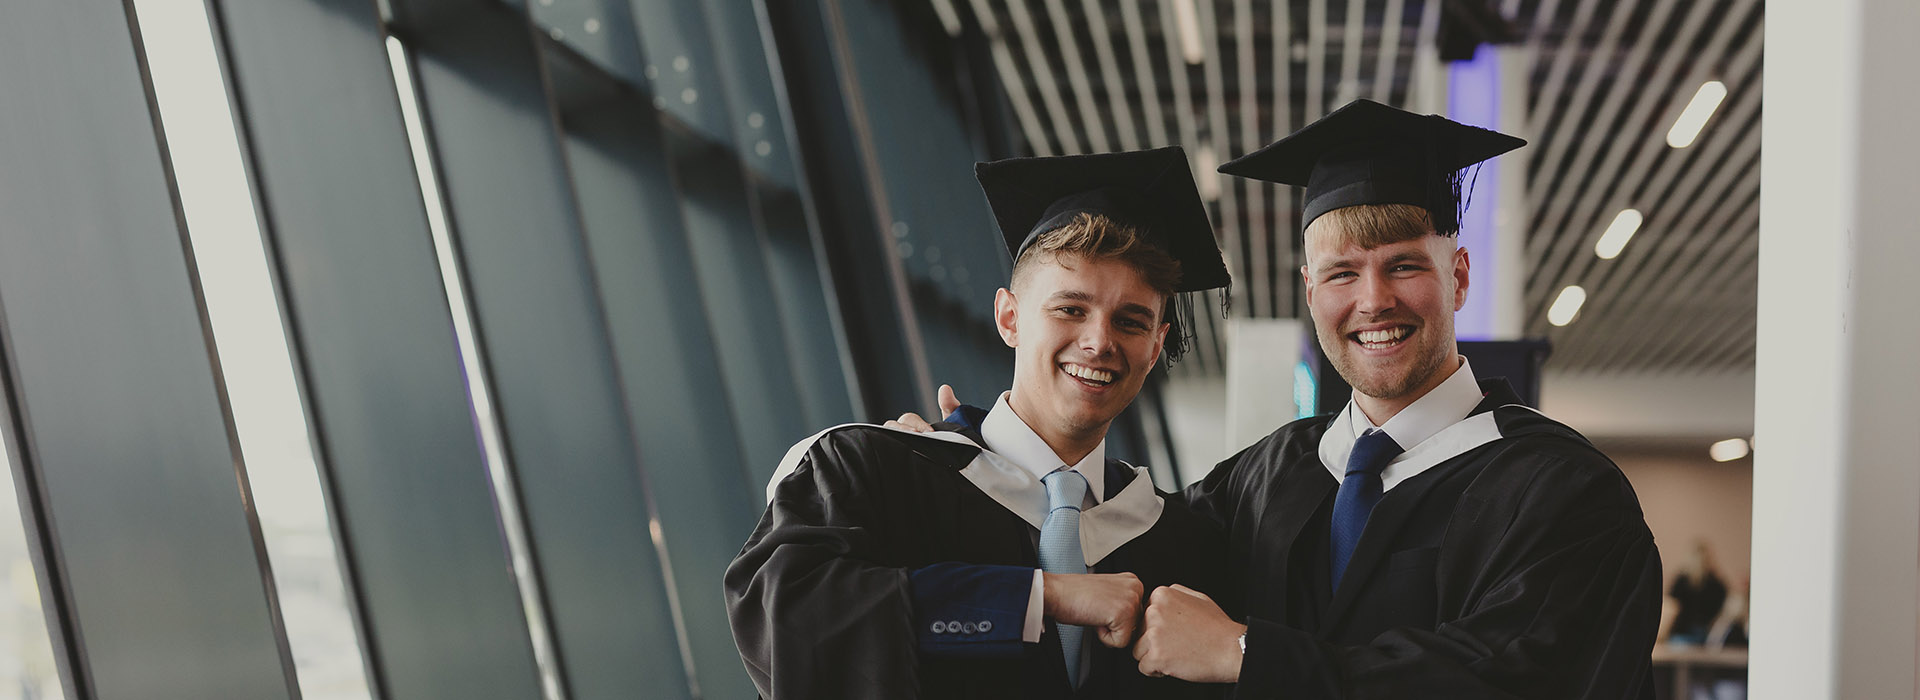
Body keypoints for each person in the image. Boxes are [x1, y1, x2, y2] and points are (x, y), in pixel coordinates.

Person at [914, 100, 1664, 698]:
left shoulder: (1564, 494)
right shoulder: (1256, 484)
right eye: (1341, 273)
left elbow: (1520, 679)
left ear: (1459, 276)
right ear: (1310, 292)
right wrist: (975, 455)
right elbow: (1100, 553)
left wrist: (1247, 654)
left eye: (1404, 266)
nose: (1373, 300)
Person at [725, 146, 1234, 699]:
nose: (1099, 341)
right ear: (1009, 317)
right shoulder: (873, 476)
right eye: (1070, 309)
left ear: (1157, 346)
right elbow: (790, 622)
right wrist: (1038, 597)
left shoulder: (1184, 544)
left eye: (1131, 321)